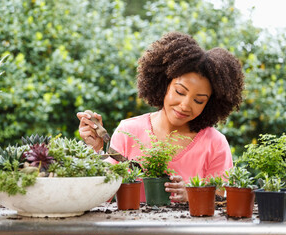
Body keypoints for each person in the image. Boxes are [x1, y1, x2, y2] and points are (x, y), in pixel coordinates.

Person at [77, 31, 244, 203]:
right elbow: (102, 196)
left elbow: (225, 202)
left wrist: (192, 195)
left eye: (199, 100)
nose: (185, 105)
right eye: (179, 92)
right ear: (164, 84)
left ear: (209, 104)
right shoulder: (128, 132)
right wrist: (96, 149)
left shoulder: (214, 143)